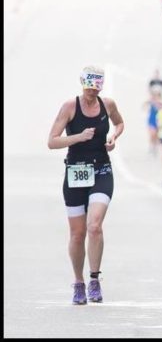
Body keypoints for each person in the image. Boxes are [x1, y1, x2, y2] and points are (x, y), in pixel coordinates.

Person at [47, 66, 125, 305]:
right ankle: (78, 282)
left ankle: (94, 279)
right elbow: (52, 141)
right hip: (75, 173)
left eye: (96, 87)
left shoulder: (107, 104)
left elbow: (120, 123)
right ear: (82, 84)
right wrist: (78, 137)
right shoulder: (69, 107)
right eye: (88, 87)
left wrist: (113, 137)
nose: (92, 92)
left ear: (100, 87)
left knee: (94, 226)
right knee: (77, 233)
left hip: (101, 169)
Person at [145, 72, 162, 156]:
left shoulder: (161, 100)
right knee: (152, 134)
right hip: (151, 119)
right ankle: (151, 147)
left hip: (158, 119)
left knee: (156, 135)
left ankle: (155, 147)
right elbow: (145, 105)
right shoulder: (151, 99)